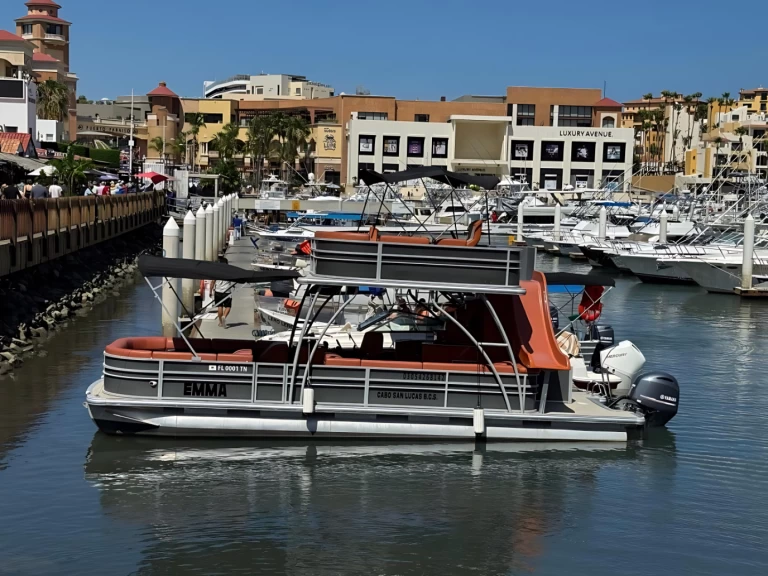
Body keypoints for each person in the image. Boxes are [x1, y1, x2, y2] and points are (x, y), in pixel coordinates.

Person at [210, 257, 234, 328]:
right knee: (228, 306)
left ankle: (220, 322)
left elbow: (213, 282)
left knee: (219, 306)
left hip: (218, 291)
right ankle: (224, 316)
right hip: (227, 291)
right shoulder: (229, 271)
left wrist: (210, 291)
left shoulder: (216, 271)